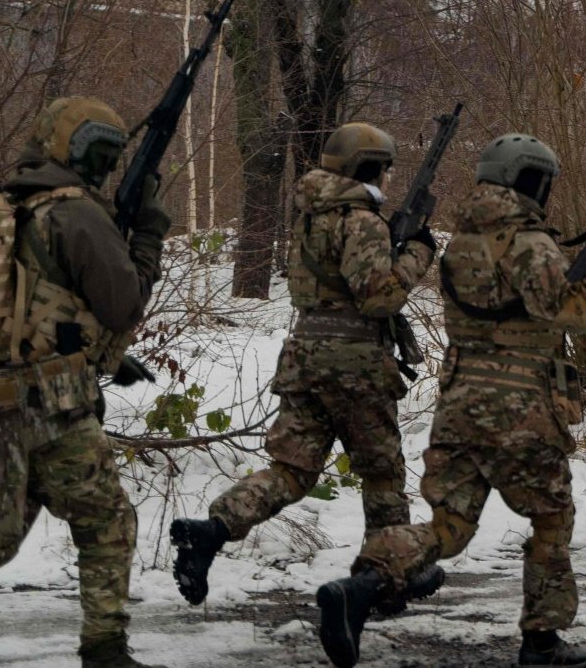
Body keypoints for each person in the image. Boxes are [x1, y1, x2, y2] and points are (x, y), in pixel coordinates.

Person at [313, 133, 586, 668]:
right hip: (521, 408)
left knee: (449, 527)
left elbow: (521, 291)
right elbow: (571, 311)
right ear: (530, 180)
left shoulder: (463, 241)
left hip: (461, 402)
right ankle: (542, 639)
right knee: (551, 518)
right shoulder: (529, 242)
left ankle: (363, 583)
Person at [0, 96, 172, 668]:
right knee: (107, 521)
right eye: (97, 152)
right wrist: (148, 232)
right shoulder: (75, 213)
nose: (100, 164)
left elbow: (31, 311)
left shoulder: (1, 210)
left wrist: (102, 355)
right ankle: (105, 662)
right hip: (51, 411)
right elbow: (123, 302)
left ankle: (106, 659)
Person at [169, 123, 439, 607]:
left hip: (305, 355)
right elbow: (379, 298)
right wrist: (418, 252)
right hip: (355, 361)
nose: (390, 176)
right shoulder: (362, 221)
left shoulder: (311, 216)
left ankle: (212, 530)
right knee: (382, 474)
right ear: (367, 168)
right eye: (385, 167)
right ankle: (385, 579)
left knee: (291, 470)